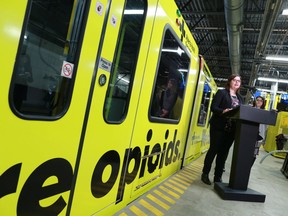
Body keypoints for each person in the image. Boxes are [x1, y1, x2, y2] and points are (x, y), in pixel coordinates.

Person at [201, 74, 243, 185]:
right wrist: (223, 111)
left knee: (223, 153)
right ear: (229, 81)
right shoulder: (222, 93)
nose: (237, 82)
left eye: (239, 81)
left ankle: (217, 177)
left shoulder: (240, 98)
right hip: (218, 126)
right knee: (213, 150)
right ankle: (205, 174)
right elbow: (213, 108)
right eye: (234, 80)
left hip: (232, 129)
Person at [252, 96, 266, 163]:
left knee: (254, 154)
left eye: (261, 101)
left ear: (263, 103)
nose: (259, 101)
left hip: (259, 137)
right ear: (255, 101)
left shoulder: (265, 113)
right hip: (250, 134)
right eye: (257, 100)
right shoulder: (251, 110)